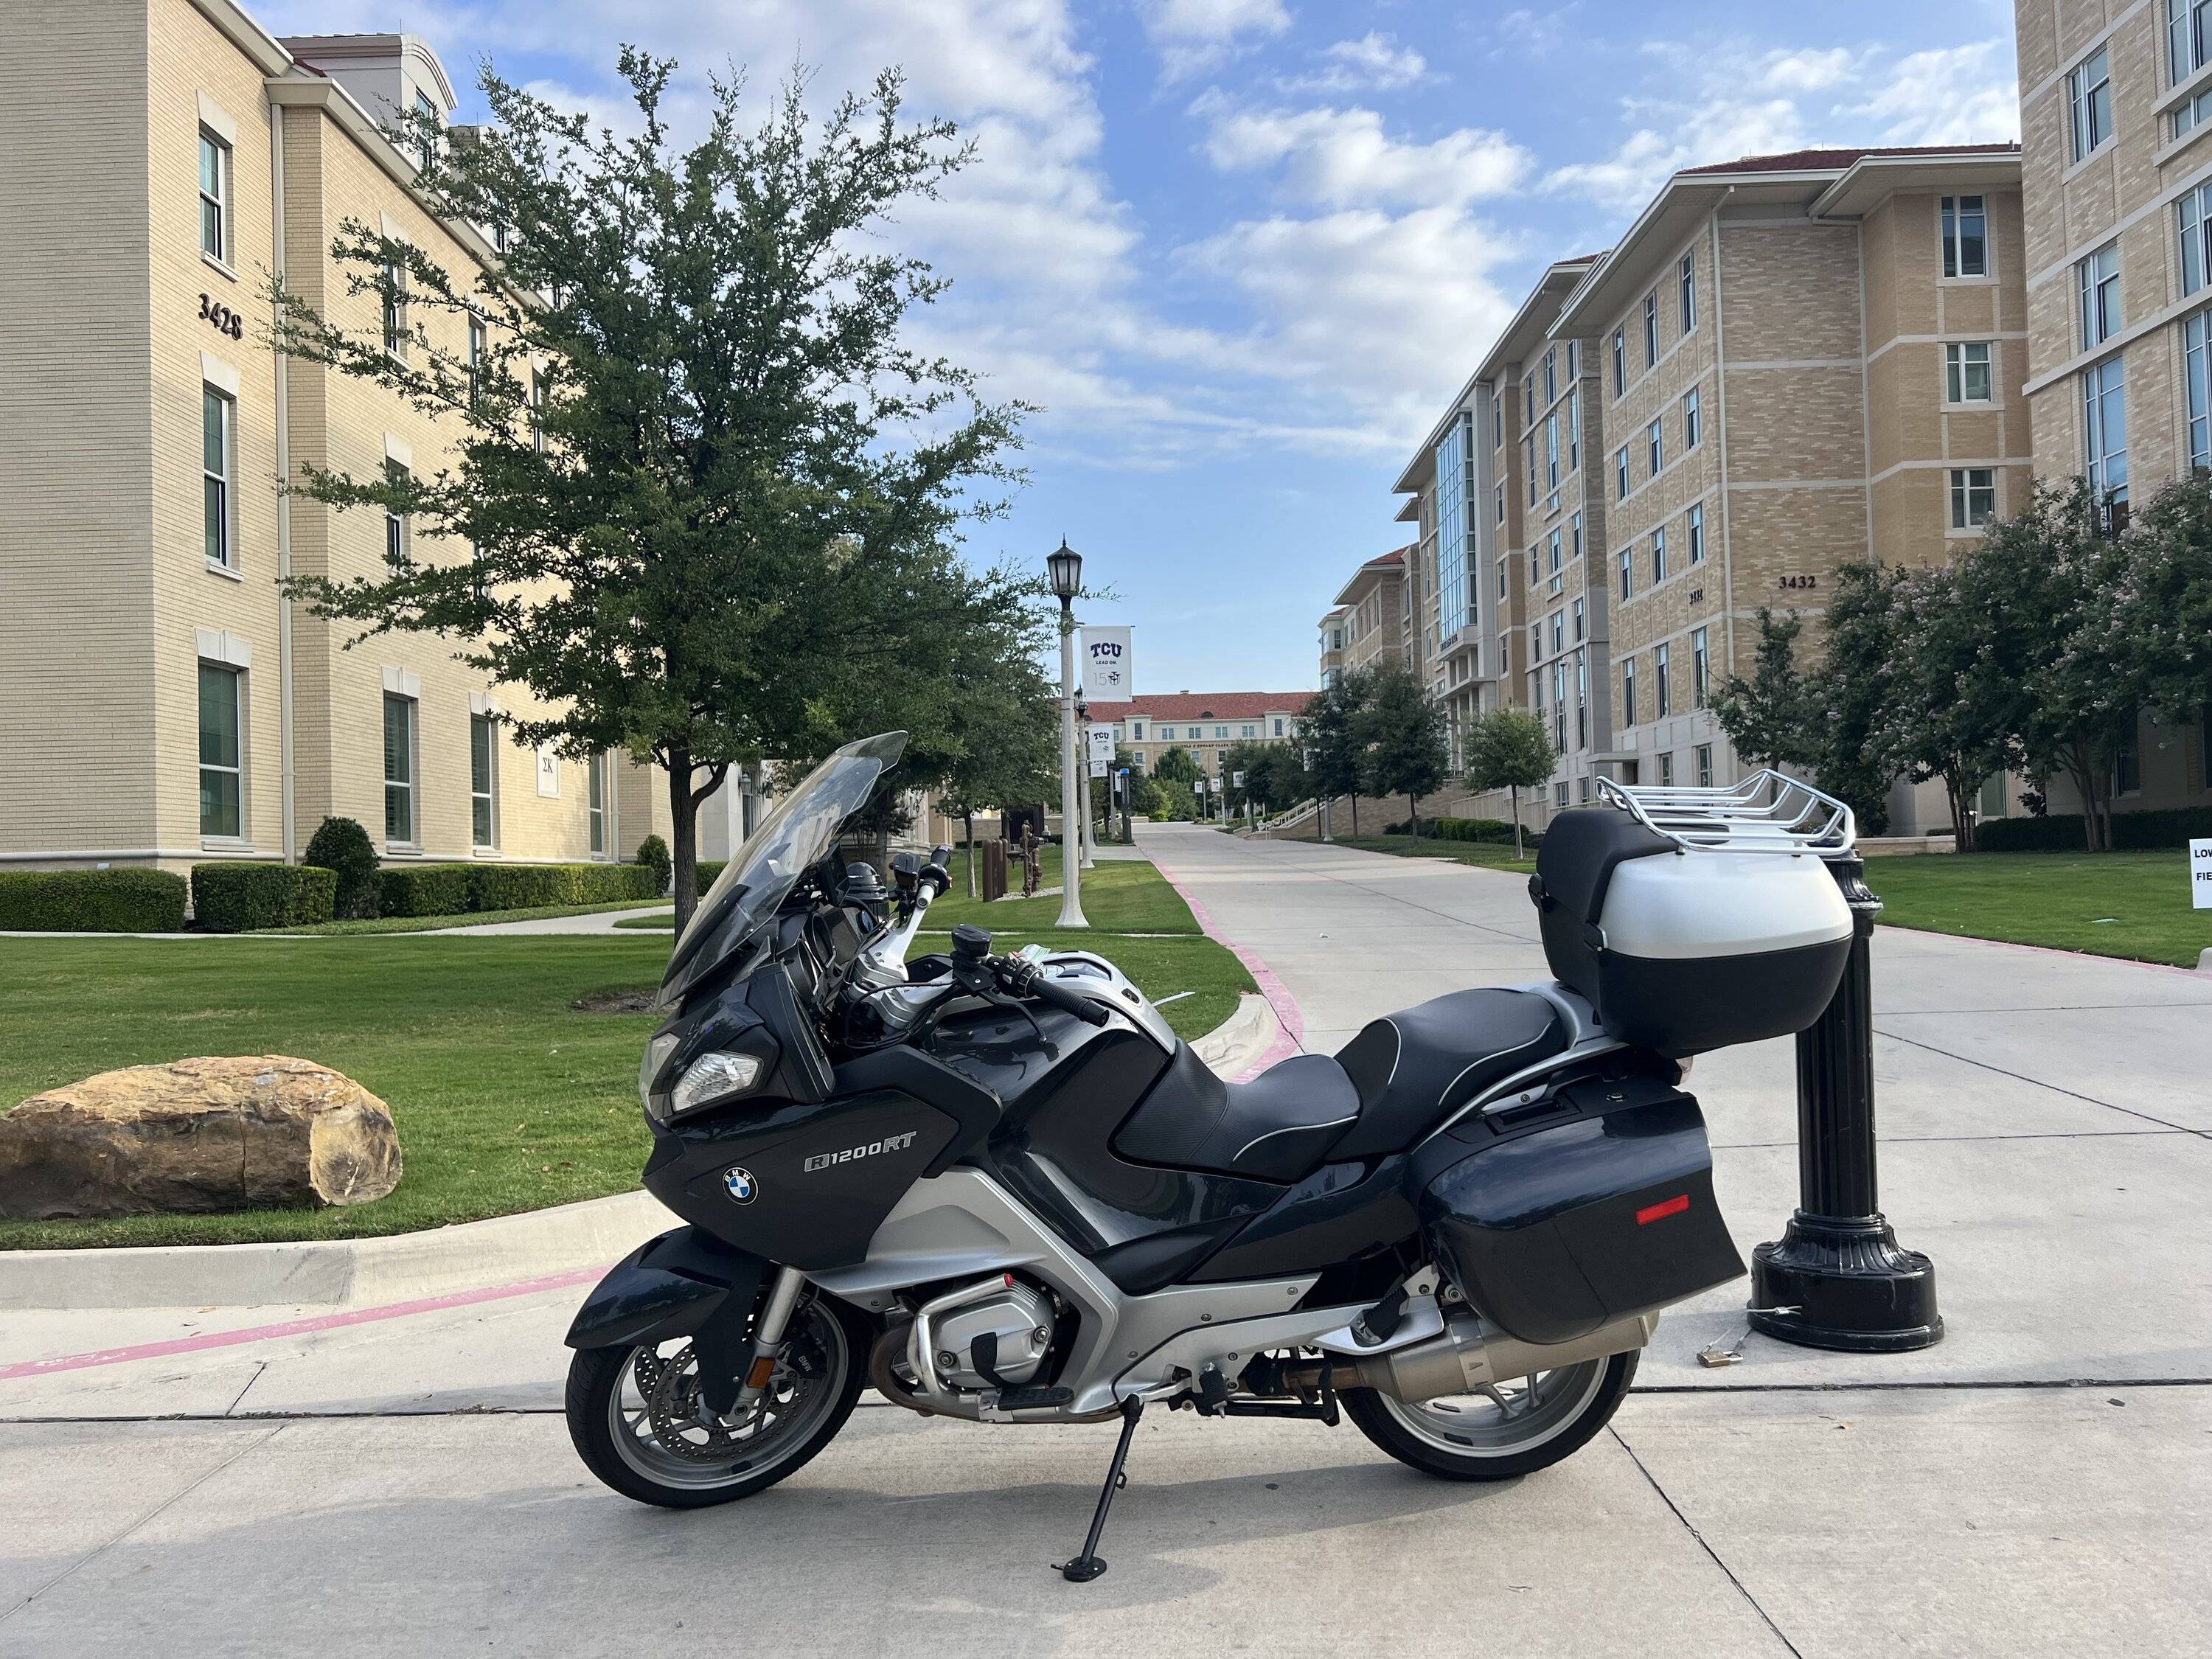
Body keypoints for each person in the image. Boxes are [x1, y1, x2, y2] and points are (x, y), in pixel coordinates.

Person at [1019, 821, 1041, 898]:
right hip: (1027, 855)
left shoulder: (1033, 838)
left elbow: (1035, 844)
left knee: (1035, 870)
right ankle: (1028, 886)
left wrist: (1031, 838)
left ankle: (1035, 886)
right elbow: (1022, 845)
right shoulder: (1022, 839)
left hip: (1032, 855)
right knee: (1028, 871)